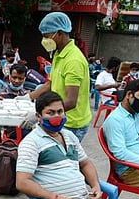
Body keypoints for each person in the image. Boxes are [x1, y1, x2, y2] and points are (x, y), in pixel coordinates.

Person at [23, 12, 92, 142]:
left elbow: (71, 101)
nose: (44, 41)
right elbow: (51, 83)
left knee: (60, 160)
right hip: (58, 115)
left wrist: (42, 114)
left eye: (46, 36)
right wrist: (28, 97)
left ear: (60, 33)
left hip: (71, 123)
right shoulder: (59, 54)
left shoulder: (73, 60)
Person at [0, 63, 35, 139]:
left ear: (25, 79)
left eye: (20, 78)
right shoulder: (1, 95)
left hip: (27, 126)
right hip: (11, 130)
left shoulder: (27, 95)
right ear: (9, 76)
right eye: (14, 77)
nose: (16, 81)